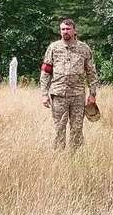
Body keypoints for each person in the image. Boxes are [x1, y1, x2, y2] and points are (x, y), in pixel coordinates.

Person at [40, 18, 99, 150]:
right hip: (59, 95)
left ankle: (75, 157)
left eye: (68, 29)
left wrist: (92, 94)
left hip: (78, 96)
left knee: (77, 129)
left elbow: (91, 72)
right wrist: (44, 94)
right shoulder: (53, 48)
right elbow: (46, 72)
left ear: (74, 30)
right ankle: (59, 158)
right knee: (59, 128)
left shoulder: (84, 49)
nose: (65, 31)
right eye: (62, 29)